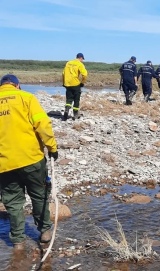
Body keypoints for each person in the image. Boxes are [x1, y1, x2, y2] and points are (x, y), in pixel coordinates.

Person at [0, 74, 58, 250]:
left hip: (4, 164)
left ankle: (18, 242)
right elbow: (43, 124)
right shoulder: (27, 97)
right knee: (39, 195)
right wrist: (52, 148)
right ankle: (45, 232)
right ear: (17, 85)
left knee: (13, 202)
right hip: (31, 159)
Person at [62, 53, 88, 120]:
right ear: (81, 58)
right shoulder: (80, 64)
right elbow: (84, 74)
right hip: (75, 84)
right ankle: (75, 115)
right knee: (76, 99)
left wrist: (64, 83)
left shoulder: (68, 63)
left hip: (67, 84)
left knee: (69, 99)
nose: (82, 61)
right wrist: (82, 82)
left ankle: (66, 111)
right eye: (82, 59)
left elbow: (63, 73)